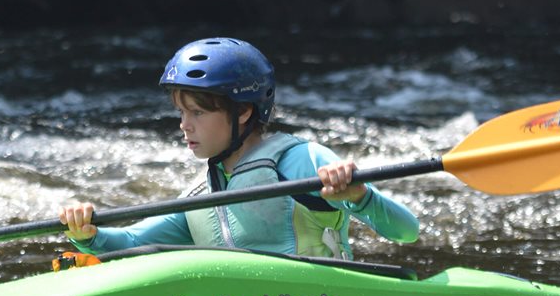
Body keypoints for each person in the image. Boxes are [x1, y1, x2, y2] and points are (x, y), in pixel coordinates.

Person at [59, 37, 418, 259]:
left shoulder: (301, 162)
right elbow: (131, 241)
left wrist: (359, 196)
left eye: (198, 112)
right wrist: (87, 235)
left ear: (243, 111)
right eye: (182, 112)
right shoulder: (200, 193)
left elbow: (407, 231)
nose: (184, 124)